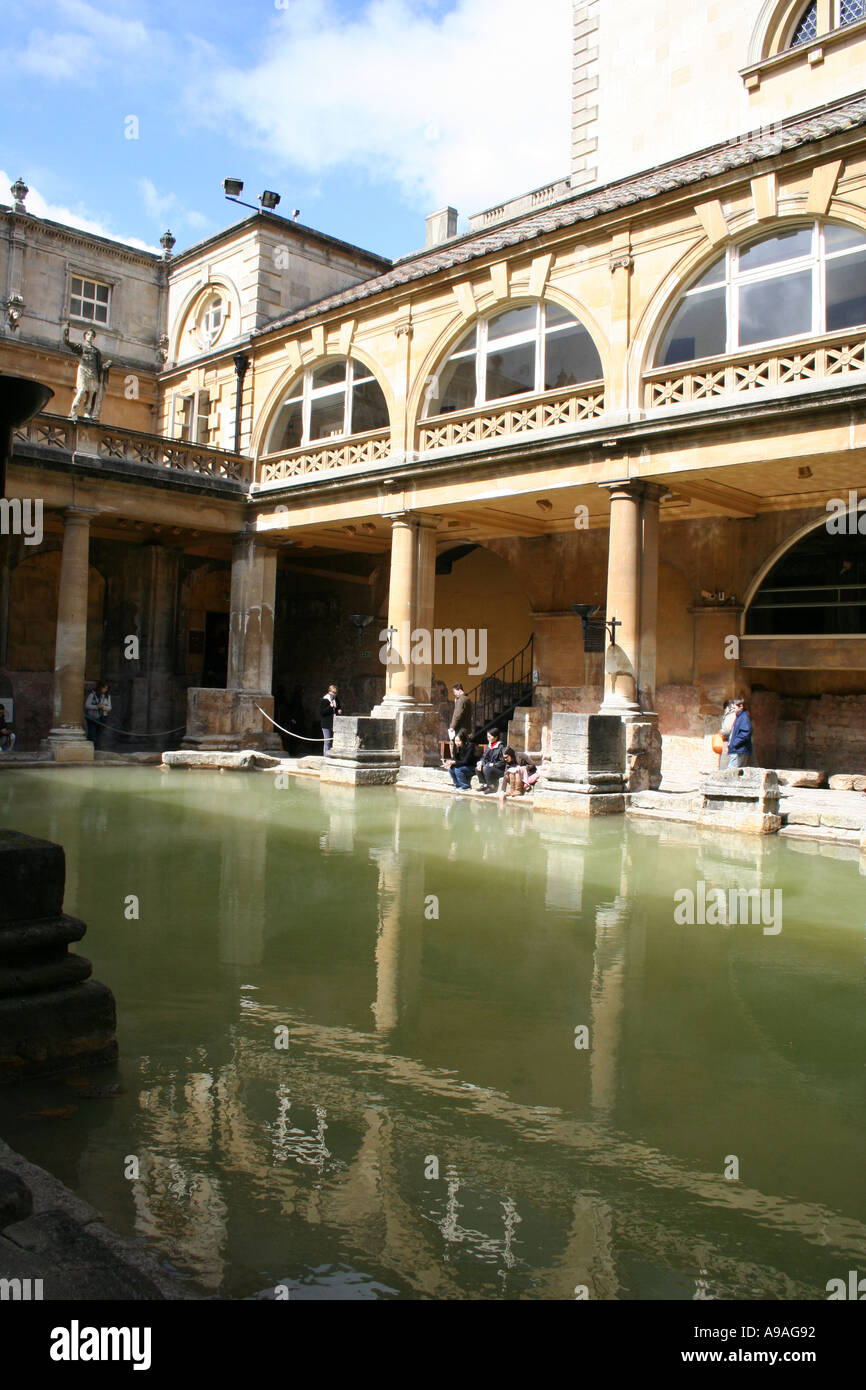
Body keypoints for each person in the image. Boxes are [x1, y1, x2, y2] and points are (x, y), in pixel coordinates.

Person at [477, 727, 506, 793]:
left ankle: (492, 787)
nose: (488, 738)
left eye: (490, 737)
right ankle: (484, 785)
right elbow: (484, 757)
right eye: (487, 736)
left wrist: (492, 764)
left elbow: (502, 762)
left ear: (496, 737)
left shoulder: (501, 747)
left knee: (486, 769)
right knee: (478, 767)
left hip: (499, 769)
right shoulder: (489, 746)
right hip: (489, 767)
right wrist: (481, 763)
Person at [727, 697, 753, 769]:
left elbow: (745, 732)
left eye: (734, 707)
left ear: (741, 706)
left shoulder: (744, 717)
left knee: (731, 772)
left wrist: (734, 743)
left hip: (739, 750)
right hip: (737, 749)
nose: (733, 710)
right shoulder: (740, 717)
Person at [448, 682, 473, 757]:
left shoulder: (461, 700)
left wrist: (452, 726)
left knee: (456, 746)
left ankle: (455, 761)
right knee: (464, 747)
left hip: (460, 729)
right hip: (466, 728)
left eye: (454, 692)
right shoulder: (467, 699)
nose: (454, 694)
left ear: (459, 690)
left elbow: (457, 714)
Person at [84, 681, 111, 748]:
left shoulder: (107, 696)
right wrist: (96, 706)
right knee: (92, 733)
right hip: (93, 717)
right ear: (100, 688)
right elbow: (87, 705)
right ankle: (90, 747)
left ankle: (97, 747)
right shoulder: (92, 695)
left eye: (106, 689)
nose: (105, 690)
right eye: (104, 688)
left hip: (102, 716)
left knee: (99, 733)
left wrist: (103, 707)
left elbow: (109, 707)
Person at [320, 683, 342, 755]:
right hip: (326, 724)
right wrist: (330, 706)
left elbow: (338, 707)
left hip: (334, 723)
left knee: (334, 741)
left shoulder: (336, 699)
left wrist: (339, 710)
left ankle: (332, 756)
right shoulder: (325, 699)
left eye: (335, 693)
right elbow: (322, 712)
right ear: (329, 692)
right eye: (333, 693)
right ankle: (326, 757)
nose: (334, 695)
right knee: (327, 741)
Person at [719, 699, 736, 770]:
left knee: (725, 764)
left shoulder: (730, 714)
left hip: (729, 741)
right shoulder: (738, 714)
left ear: (727, 707)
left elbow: (727, 730)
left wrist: (721, 732)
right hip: (736, 741)